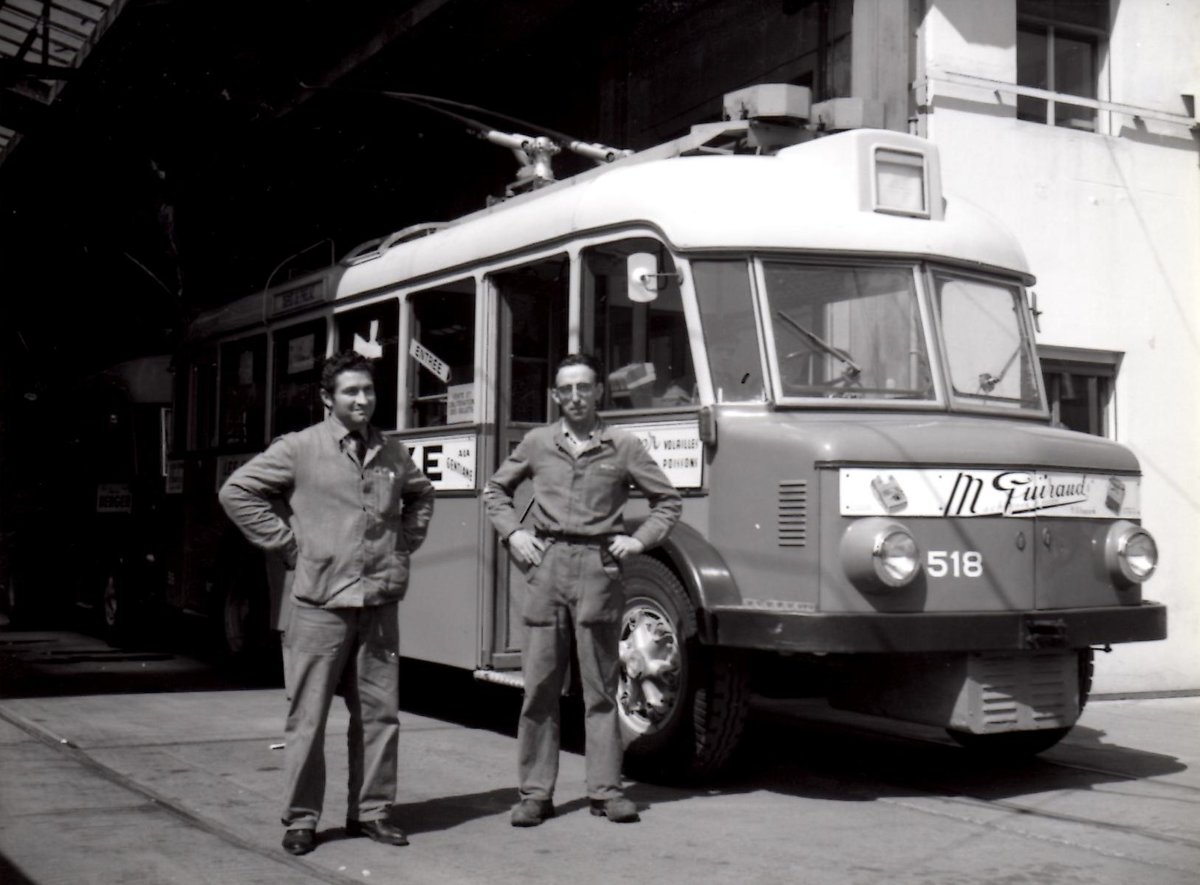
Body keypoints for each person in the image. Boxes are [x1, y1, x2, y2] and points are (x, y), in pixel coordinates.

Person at [219, 351, 435, 856]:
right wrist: (290, 545)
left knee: (380, 717)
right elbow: (237, 492)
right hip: (319, 604)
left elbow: (421, 496)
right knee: (308, 718)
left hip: (378, 605)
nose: (363, 400)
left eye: (369, 391)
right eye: (351, 392)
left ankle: (373, 813)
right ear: (327, 399)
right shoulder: (298, 449)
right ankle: (301, 819)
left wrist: (402, 544)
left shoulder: (391, 452)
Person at [484, 353, 682, 827]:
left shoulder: (624, 446)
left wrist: (637, 540)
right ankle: (535, 794)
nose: (575, 396)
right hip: (546, 568)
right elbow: (494, 491)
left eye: (584, 387)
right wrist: (514, 533)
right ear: (556, 396)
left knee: (599, 689)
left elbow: (668, 501)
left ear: (598, 393)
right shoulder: (536, 443)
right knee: (540, 690)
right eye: (566, 388)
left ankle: (606, 791)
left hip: (598, 570)